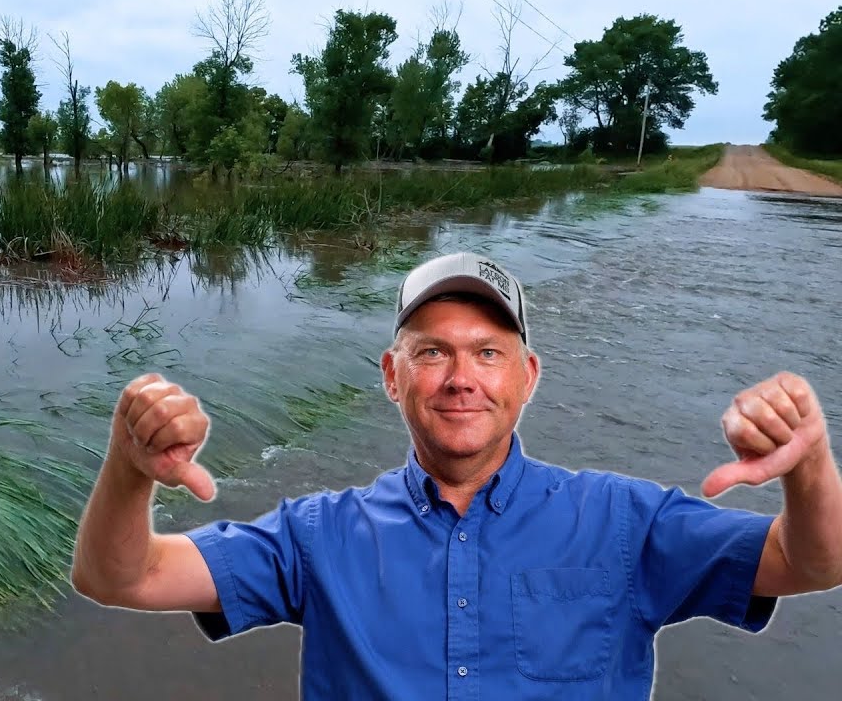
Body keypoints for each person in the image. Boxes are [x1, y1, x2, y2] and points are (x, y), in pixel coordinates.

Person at [69, 251, 842, 699]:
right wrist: (129, 469)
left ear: (528, 376)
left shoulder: (626, 522)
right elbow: (120, 578)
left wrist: (808, 465)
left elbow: (813, 561)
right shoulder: (317, 536)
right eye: (432, 351)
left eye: (488, 351)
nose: (461, 377)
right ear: (391, 376)